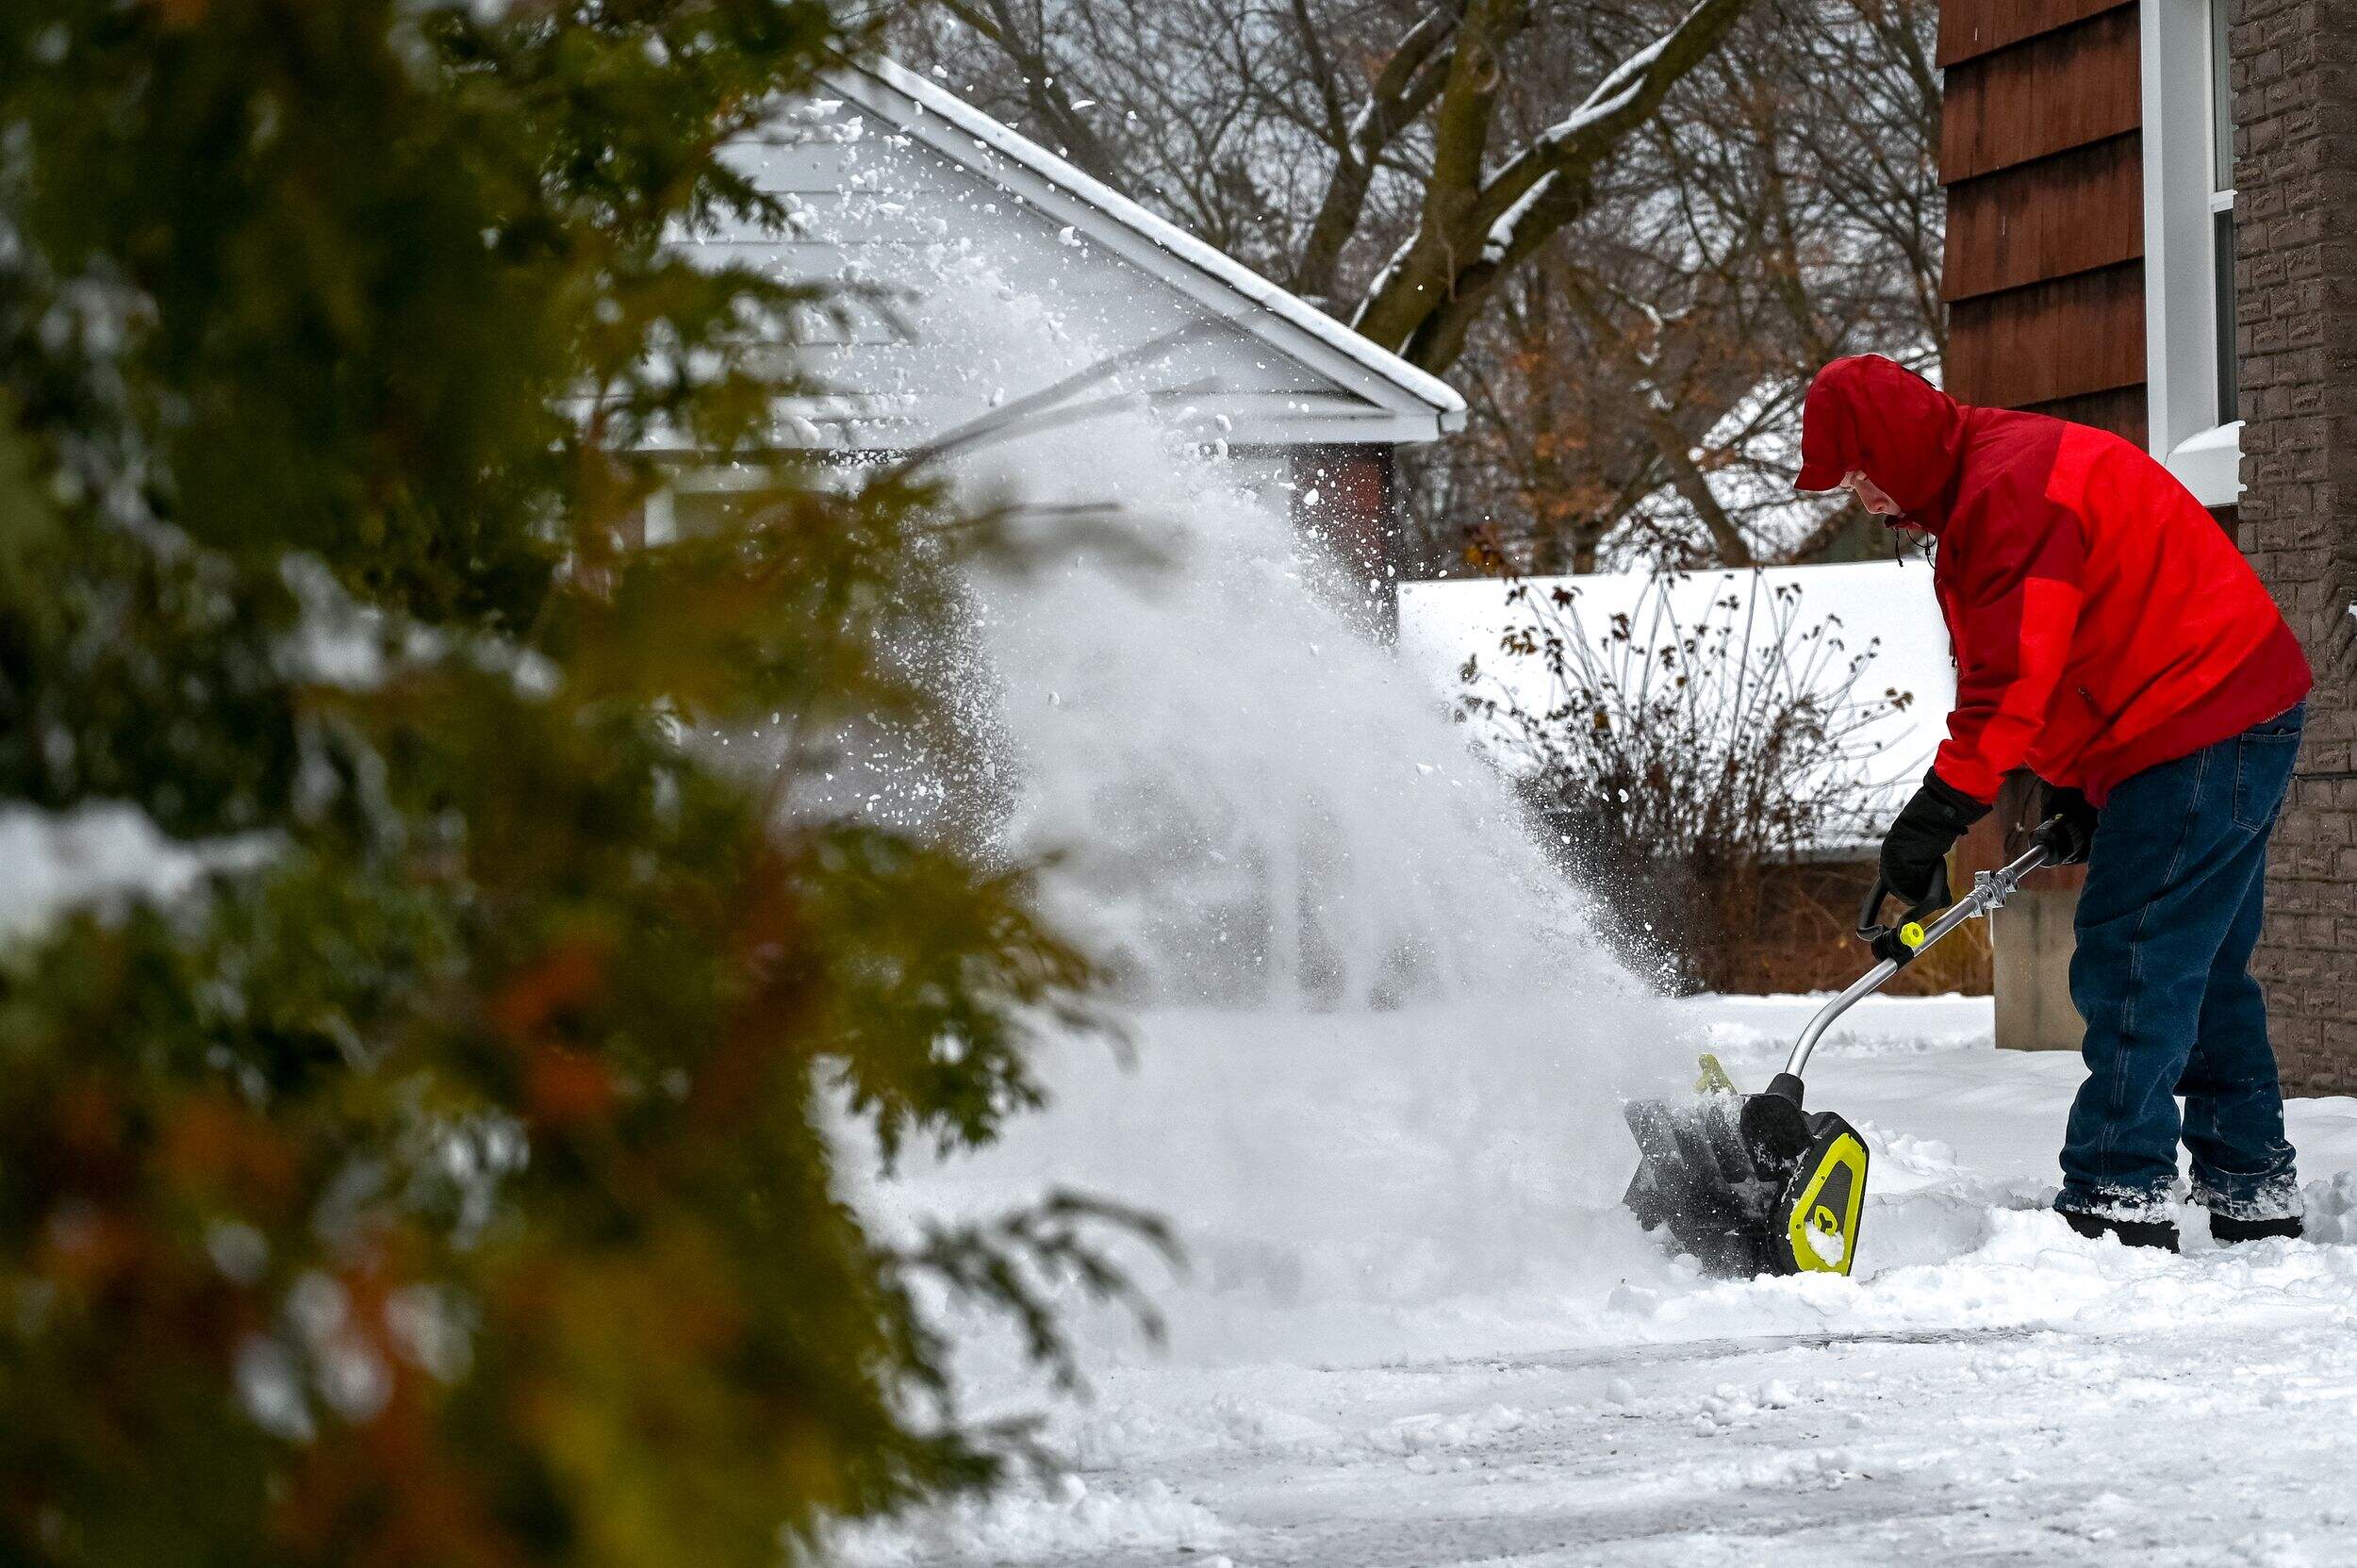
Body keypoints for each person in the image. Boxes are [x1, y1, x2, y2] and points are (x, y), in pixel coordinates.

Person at [1793, 354, 2314, 1252]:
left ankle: (2119, 1192)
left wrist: (1930, 824)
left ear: (1901, 446)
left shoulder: (2007, 498)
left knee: (2136, 957)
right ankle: (2250, 1183)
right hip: (2221, 710)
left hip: (2198, 719)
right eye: (1848, 484)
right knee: (2201, 965)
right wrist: (2079, 786)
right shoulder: (1990, 475)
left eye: (1864, 472)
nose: (1864, 499)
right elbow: (2079, 643)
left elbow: (2009, 688)